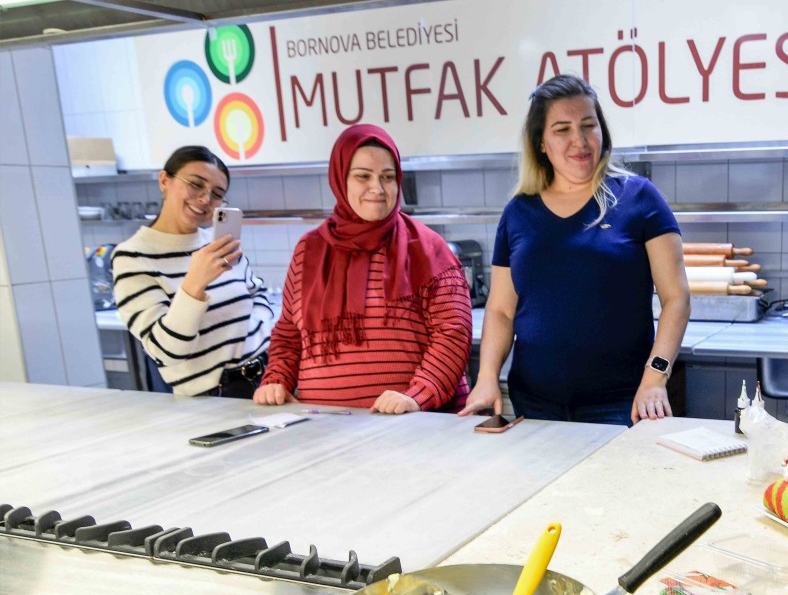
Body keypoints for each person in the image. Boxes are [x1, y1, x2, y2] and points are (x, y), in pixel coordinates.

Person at [459, 74, 690, 426]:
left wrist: (655, 377)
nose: (579, 141)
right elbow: (502, 310)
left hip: (622, 403)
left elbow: (676, 297)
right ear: (541, 142)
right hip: (533, 403)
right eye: (562, 129)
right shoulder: (519, 212)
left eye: (588, 125)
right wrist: (488, 376)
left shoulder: (639, 197)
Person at [254, 124, 472, 413]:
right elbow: (289, 334)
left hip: (410, 427)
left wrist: (417, 395)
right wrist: (276, 379)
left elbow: (452, 333)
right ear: (340, 179)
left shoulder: (429, 248)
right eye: (363, 176)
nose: (377, 188)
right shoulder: (309, 251)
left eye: (388, 177)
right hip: (324, 428)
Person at [111, 146, 273, 397]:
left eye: (217, 194)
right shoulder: (132, 257)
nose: (205, 200)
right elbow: (167, 352)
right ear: (164, 180)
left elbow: (258, 292)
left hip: (267, 378)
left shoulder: (219, 243)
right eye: (196, 184)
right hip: (212, 396)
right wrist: (194, 284)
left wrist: (258, 335)